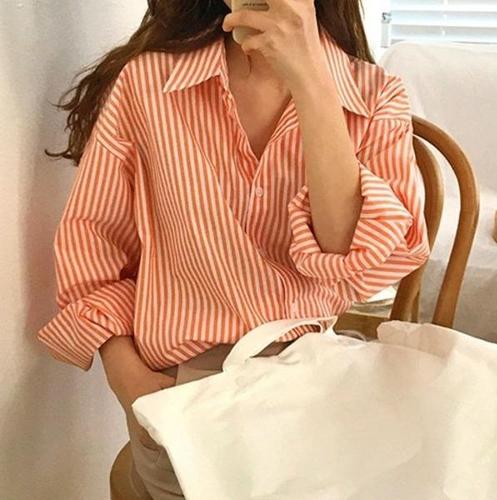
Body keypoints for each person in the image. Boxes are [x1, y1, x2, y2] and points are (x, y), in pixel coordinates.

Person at [37, 0, 430, 498]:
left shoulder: (375, 96)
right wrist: (125, 373)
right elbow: (94, 239)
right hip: (182, 388)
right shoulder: (149, 83)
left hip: (311, 381)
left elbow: (356, 261)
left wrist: (311, 82)